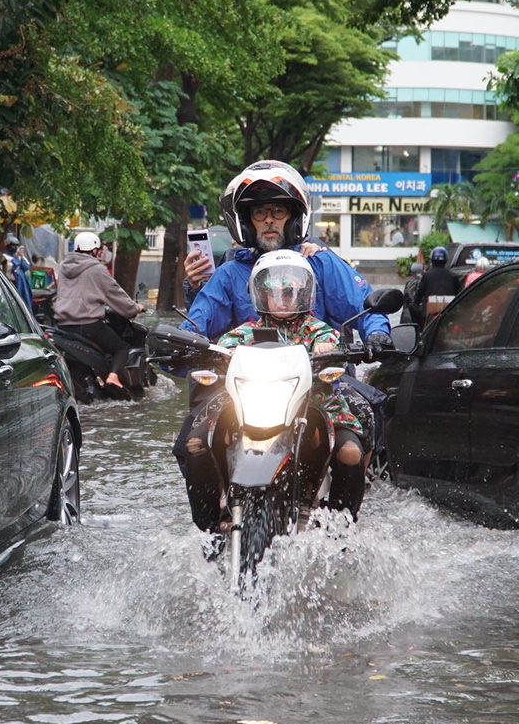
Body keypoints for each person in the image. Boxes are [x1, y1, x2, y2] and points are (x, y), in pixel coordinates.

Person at [179, 251, 368, 536]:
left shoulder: (319, 330)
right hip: (250, 404)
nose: (282, 298)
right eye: (273, 292)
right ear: (259, 295)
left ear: (305, 294)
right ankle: (212, 524)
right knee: (195, 443)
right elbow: (221, 348)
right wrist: (212, 353)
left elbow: (334, 346)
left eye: (291, 292)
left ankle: (339, 527)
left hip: (315, 403)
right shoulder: (244, 332)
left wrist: (329, 351)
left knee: (351, 452)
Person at [180, 161, 392, 348]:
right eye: (259, 212)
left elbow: (362, 305)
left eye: (279, 210)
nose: (269, 219)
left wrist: (377, 334)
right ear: (247, 222)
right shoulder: (229, 272)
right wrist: (180, 340)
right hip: (248, 381)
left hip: (320, 379)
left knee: (370, 394)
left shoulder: (319, 262)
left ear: (294, 217)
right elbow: (200, 320)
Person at [53, 232, 144, 389]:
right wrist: (135, 308)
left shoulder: (63, 267)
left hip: (63, 326)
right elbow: (115, 293)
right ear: (94, 250)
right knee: (121, 349)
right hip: (88, 325)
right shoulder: (96, 269)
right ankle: (113, 378)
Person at [407, 245, 462, 329]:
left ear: (432, 259)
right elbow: (459, 293)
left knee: (411, 306)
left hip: (429, 312)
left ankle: (419, 330)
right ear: (446, 260)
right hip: (449, 311)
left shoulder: (427, 275)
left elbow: (419, 294)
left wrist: (416, 301)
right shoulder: (453, 276)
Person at [5, 236, 34, 311]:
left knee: (25, 299)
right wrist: (17, 258)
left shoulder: (18, 256)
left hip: (22, 282)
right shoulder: (5, 256)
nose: (14, 248)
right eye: (13, 246)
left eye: (16, 246)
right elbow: (12, 266)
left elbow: (26, 266)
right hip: (14, 282)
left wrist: (21, 256)